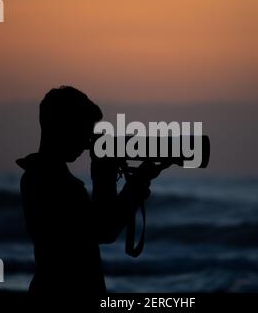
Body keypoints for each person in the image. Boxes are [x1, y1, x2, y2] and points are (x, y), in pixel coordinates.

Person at [16, 86, 168, 295]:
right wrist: (108, 174)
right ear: (62, 127)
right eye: (83, 131)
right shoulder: (50, 181)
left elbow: (100, 225)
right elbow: (104, 229)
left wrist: (127, 177)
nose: (88, 141)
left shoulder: (39, 176)